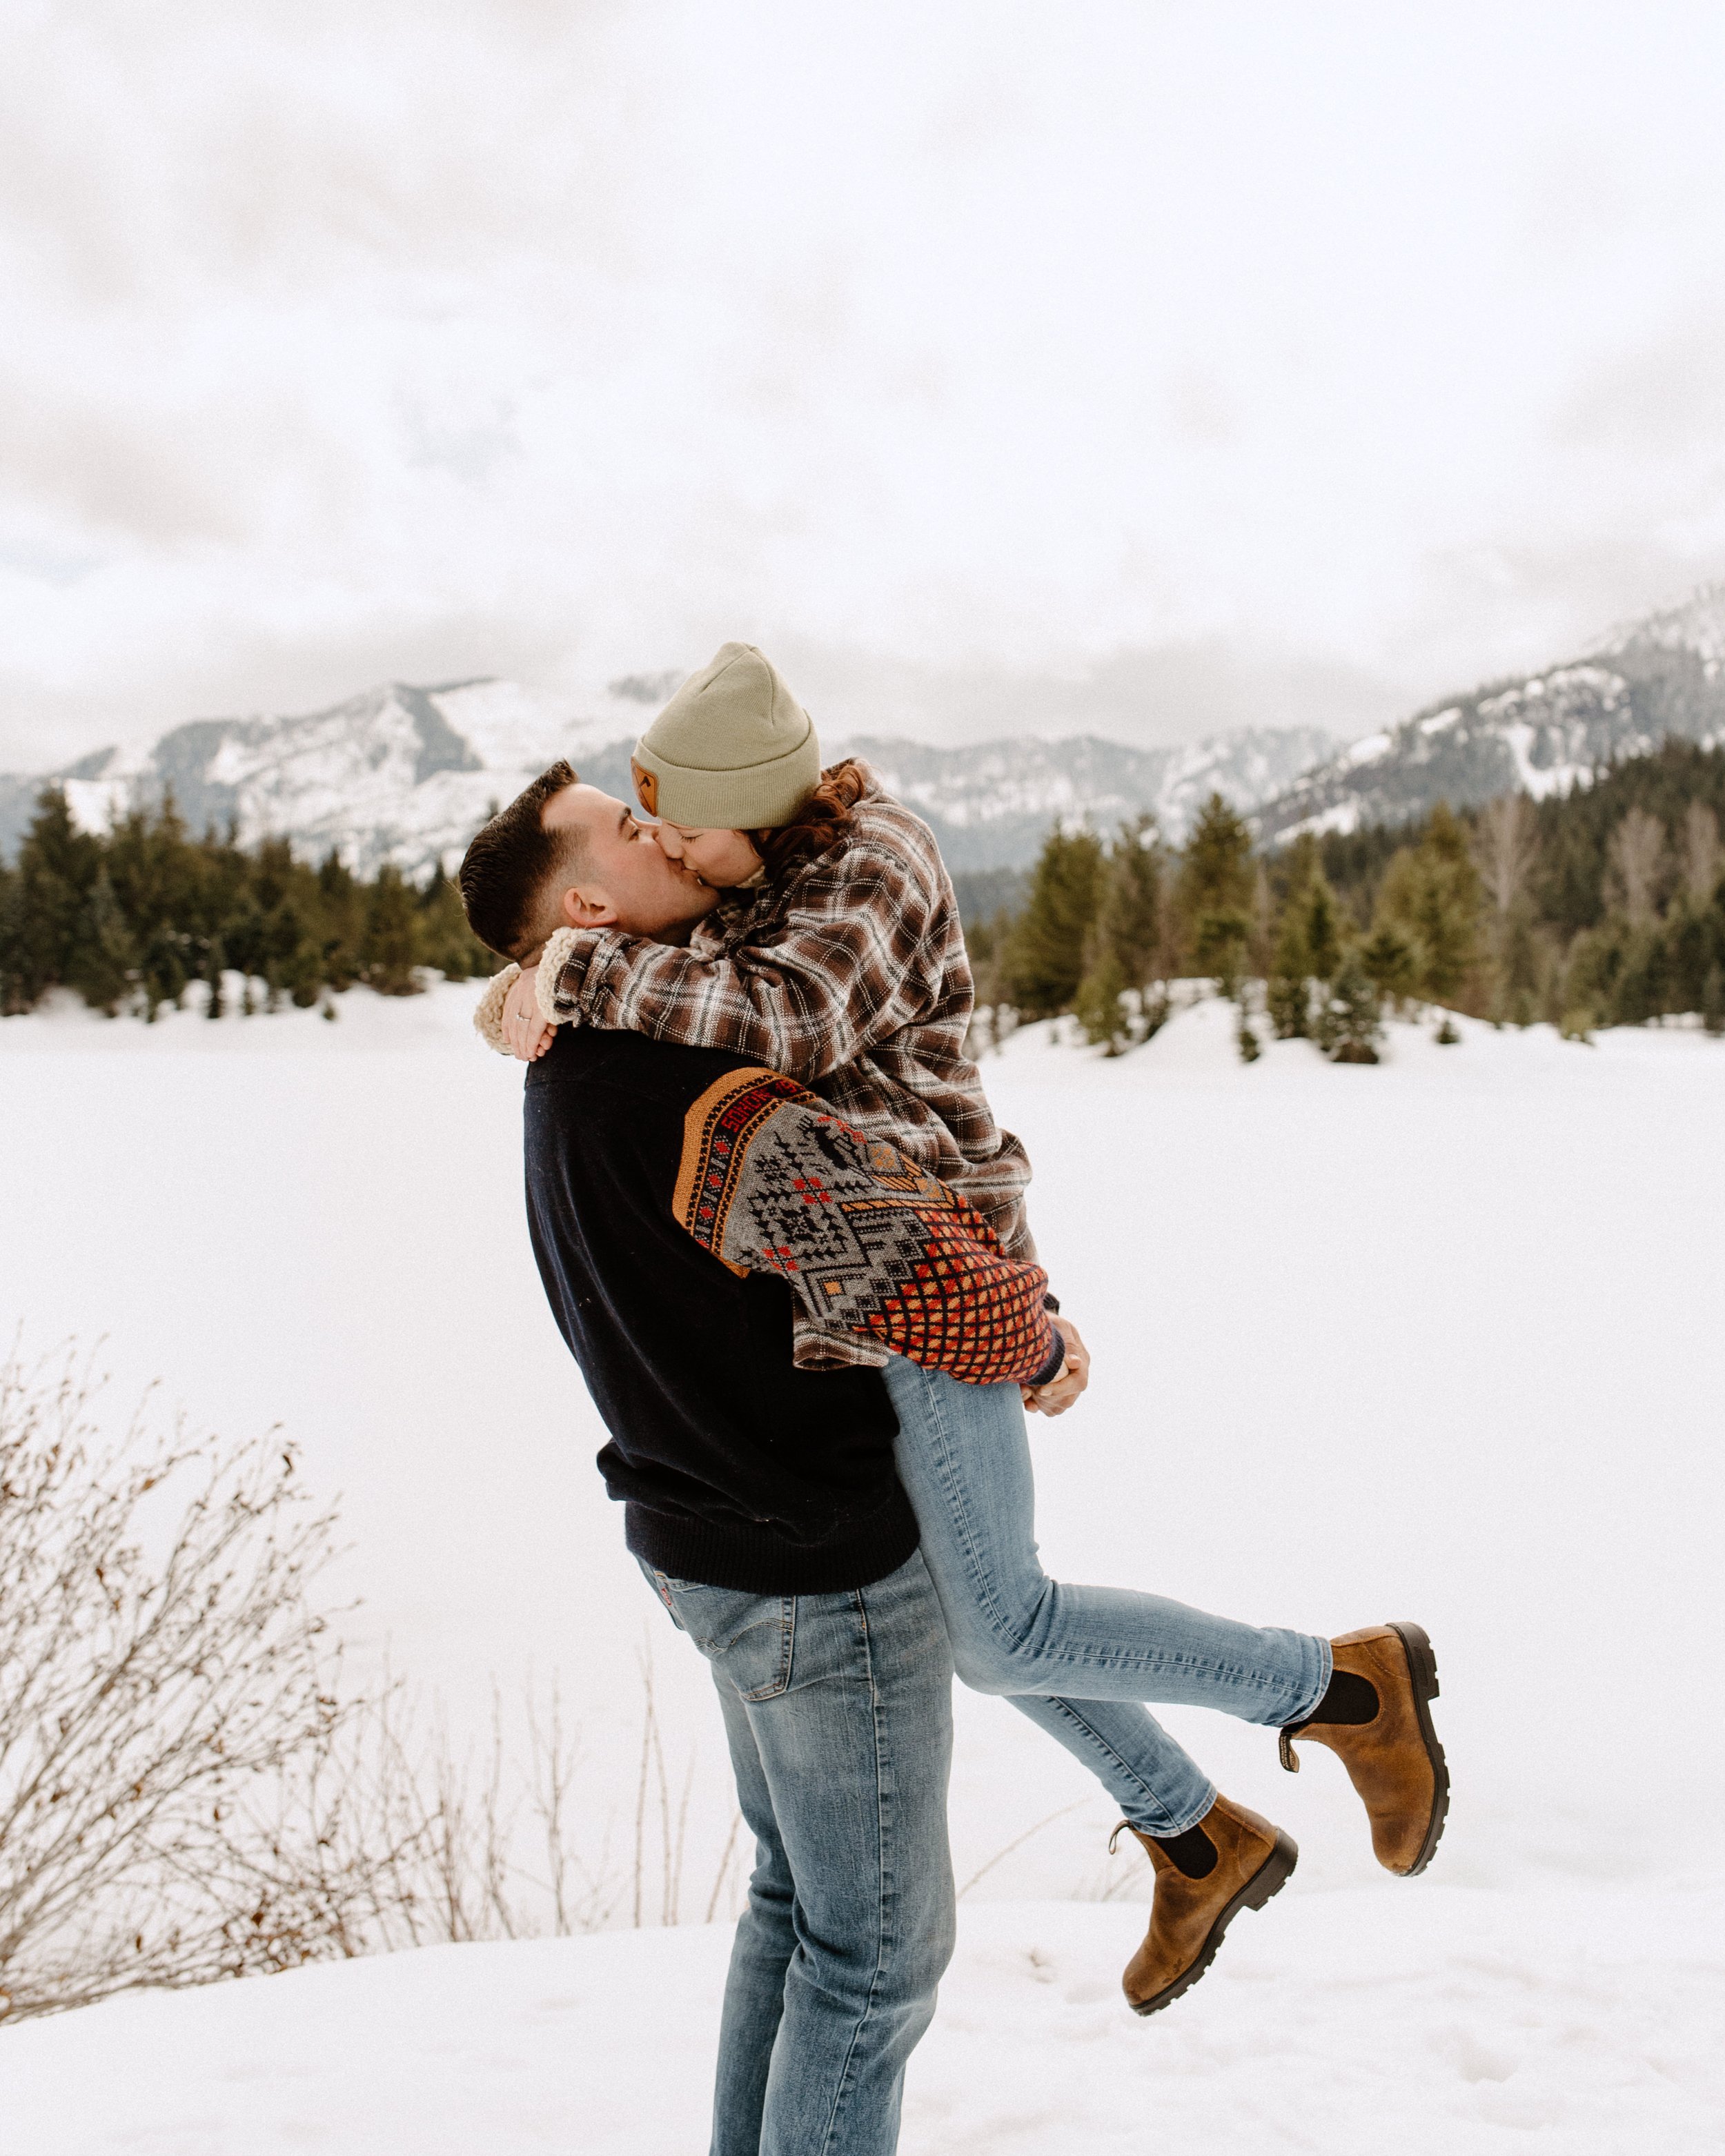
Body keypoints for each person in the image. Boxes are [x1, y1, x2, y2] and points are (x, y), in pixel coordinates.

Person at [461, 675, 1450, 2024]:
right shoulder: (743, 877)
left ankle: (1339, 1683)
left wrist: (567, 965)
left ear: (746, 806)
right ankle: (1191, 1834)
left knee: (1002, 1628)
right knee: (954, 1616)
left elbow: (789, 1026)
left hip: (936, 1269)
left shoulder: (870, 866)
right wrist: (535, 973)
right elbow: (674, 963)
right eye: (641, 826)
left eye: (675, 822)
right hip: (856, 1299)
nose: (666, 841)